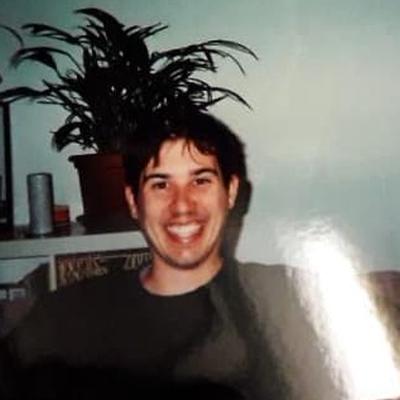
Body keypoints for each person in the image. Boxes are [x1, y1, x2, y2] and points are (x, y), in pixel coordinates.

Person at [0, 109, 366, 400]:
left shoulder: (298, 300)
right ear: (133, 202)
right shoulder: (65, 315)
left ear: (231, 192)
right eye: (161, 184)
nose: (182, 206)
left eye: (200, 180)